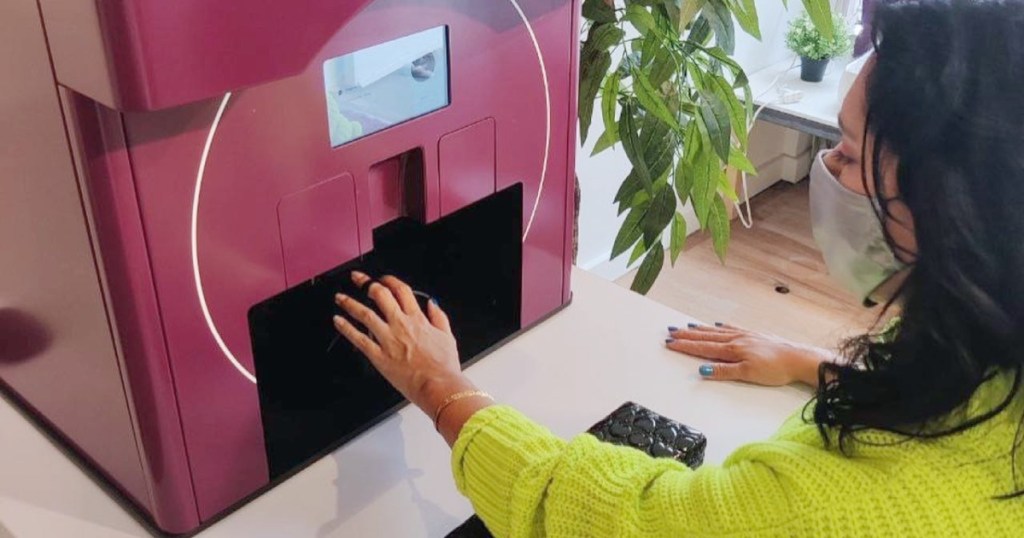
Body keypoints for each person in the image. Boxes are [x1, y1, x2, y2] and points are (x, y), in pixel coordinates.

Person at [330, 0, 1024, 535]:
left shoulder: (822, 510)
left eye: (845, 153)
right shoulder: (991, 345)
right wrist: (821, 367)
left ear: (949, 207)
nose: (829, 170)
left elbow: (623, 519)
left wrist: (439, 387)